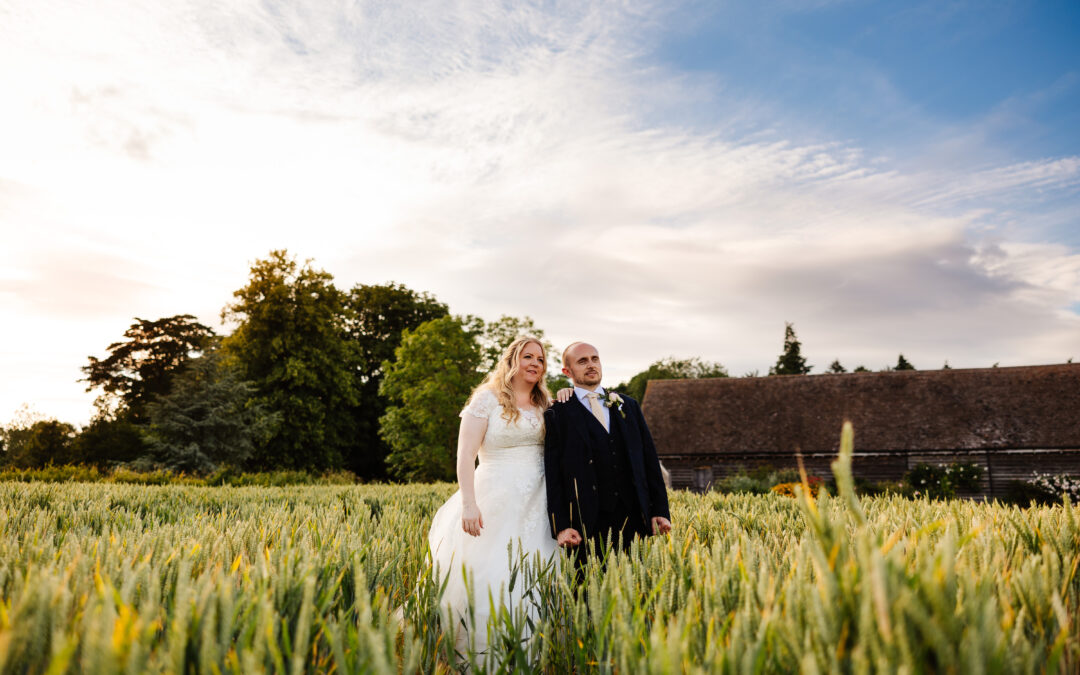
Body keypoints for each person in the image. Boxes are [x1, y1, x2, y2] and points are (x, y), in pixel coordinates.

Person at [427, 336, 557, 661]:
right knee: (492, 572)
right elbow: (465, 455)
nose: (534, 364)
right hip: (494, 498)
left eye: (540, 360)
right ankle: (483, 653)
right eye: (528, 357)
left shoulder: (546, 404)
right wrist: (469, 504)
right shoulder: (486, 400)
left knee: (537, 571)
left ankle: (533, 654)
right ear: (512, 359)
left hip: (540, 501)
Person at [543, 342, 671, 570]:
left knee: (638, 594)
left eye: (595, 358)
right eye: (582, 361)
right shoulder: (557, 413)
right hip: (585, 526)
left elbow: (649, 462)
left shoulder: (628, 406)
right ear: (567, 371)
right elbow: (553, 475)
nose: (591, 365)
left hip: (634, 520)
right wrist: (560, 525)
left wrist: (660, 510)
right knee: (587, 599)